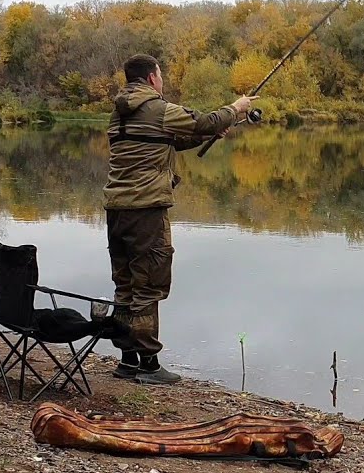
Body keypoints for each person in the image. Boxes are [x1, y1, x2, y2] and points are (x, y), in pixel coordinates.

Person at [103, 53, 257, 384]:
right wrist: (236, 108)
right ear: (150, 79)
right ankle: (149, 364)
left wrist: (209, 135)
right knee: (148, 286)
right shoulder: (158, 109)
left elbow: (169, 141)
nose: (163, 81)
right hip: (146, 211)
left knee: (125, 284)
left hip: (116, 210)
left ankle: (127, 360)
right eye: (161, 75)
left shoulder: (118, 115)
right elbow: (201, 121)